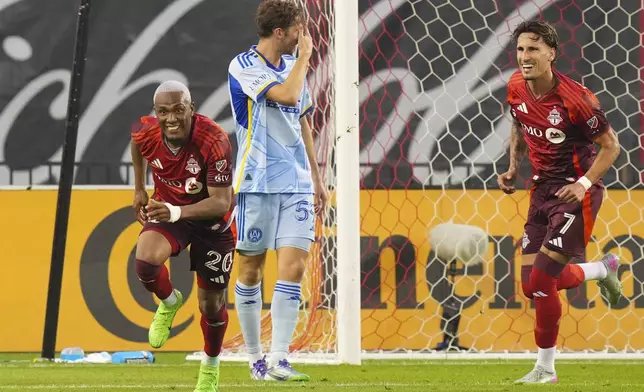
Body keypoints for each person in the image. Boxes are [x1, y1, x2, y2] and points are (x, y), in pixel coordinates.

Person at [498, 21, 623, 384]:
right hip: (541, 191)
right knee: (531, 285)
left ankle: (545, 369)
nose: (525, 57)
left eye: (533, 49)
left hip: (574, 193)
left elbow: (612, 146)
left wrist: (584, 184)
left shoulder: (576, 98)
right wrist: (512, 168)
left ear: (551, 53)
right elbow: (520, 124)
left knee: (541, 280)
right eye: (521, 49)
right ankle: (602, 269)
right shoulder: (515, 88)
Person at [227, 0, 328, 382]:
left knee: (294, 266)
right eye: (301, 28)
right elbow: (285, 96)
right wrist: (304, 59)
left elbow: (301, 120)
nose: (307, 36)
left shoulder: (292, 69)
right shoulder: (244, 65)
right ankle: (255, 359)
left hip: (297, 183)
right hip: (257, 182)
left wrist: (317, 178)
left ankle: (280, 359)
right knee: (251, 268)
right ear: (282, 32)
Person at [131, 80, 235, 392]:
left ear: (191, 108)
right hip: (169, 211)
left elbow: (221, 202)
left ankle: (211, 364)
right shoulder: (145, 129)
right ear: (156, 113)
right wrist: (138, 188)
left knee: (211, 305)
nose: (171, 118)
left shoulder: (214, 139)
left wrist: (174, 212)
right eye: (163, 111)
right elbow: (136, 143)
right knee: (145, 262)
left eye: (178, 110)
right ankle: (169, 302)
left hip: (212, 223)